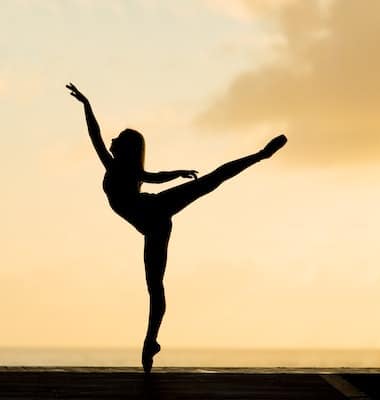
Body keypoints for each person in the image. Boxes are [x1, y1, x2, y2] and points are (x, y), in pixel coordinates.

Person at [66, 83, 287, 373]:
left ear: (127, 148)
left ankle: (261, 154)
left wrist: (87, 105)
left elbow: (139, 168)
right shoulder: (120, 167)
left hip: (154, 210)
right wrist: (86, 104)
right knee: (155, 287)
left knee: (210, 182)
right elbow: (147, 172)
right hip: (153, 224)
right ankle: (150, 342)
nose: (112, 138)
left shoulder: (118, 167)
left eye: (119, 137)